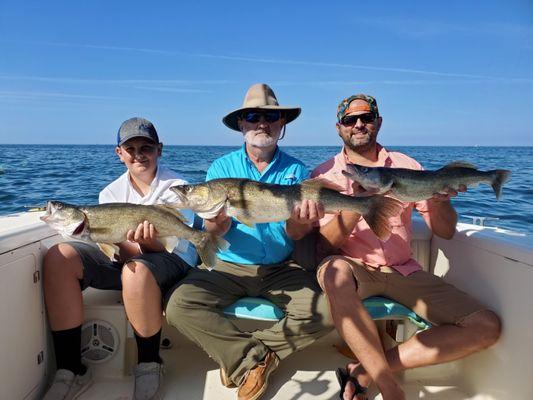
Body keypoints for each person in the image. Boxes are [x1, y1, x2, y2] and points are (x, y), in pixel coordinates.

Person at [312, 94, 502, 400]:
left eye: (367, 117)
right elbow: (325, 245)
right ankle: (389, 388)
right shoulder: (323, 175)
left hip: (404, 270)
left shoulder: (408, 166)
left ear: (379, 122)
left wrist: (439, 203)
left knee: (486, 326)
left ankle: (365, 371)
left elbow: (445, 231)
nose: (359, 124)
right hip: (354, 269)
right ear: (339, 128)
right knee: (334, 272)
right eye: (350, 120)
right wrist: (357, 204)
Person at [165, 83, 332, 400]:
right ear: (241, 124)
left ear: (281, 125)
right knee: (178, 306)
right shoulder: (221, 168)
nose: (262, 123)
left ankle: (252, 358)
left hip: (283, 267)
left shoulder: (297, 170)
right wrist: (215, 225)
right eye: (254, 116)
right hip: (230, 267)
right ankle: (253, 356)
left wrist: (300, 222)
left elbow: (295, 235)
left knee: (327, 311)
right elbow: (210, 232)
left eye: (271, 116)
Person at [42, 117, 197, 400]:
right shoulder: (109, 193)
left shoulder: (178, 187)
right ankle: (71, 369)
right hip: (128, 259)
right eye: (131, 148)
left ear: (159, 149)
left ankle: (150, 364)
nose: (139, 154)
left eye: (146, 147)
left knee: (135, 271)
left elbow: (179, 247)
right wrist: (128, 246)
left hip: (173, 261)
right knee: (59, 256)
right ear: (119, 153)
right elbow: (111, 247)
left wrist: (148, 243)